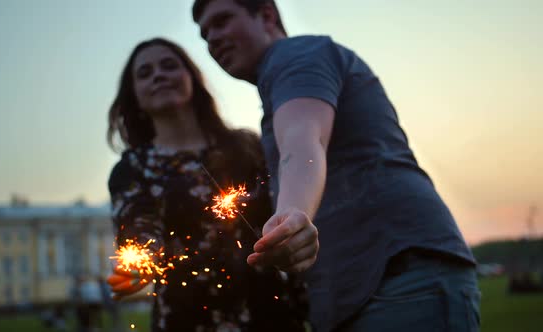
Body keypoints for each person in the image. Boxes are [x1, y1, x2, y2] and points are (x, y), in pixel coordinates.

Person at [192, 1, 481, 331]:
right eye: (205, 33)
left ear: (267, 15)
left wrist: (291, 214)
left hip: (397, 276)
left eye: (222, 21)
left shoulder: (297, 55)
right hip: (364, 288)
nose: (212, 38)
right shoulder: (281, 84)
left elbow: (303, 141)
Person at [105, 37, 309, 331]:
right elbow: (138, 224)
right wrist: (140, 258)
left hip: (268, 310)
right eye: (145, 73)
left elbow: (284, 203)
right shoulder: (132, 169)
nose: (158, 75)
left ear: (192, 78)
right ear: (134, 95)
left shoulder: (246, 146)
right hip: (188, 317)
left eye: (168, 65)